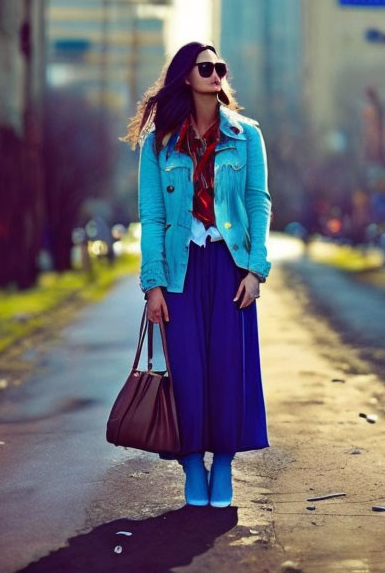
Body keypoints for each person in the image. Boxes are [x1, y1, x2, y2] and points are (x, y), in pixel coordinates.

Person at [123, 41, 271, 508]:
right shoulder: (159, 143)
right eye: (205, 67)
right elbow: (150, 214)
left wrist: (254, 270)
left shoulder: (247, 136)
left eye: (219, 67)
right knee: (186, 369)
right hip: (180, 265)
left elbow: (257, 202)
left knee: (228, 367)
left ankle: (223, 462)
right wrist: (153, 284)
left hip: (228, 264)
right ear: (186, 76)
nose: (215, 74)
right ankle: (192, 464)